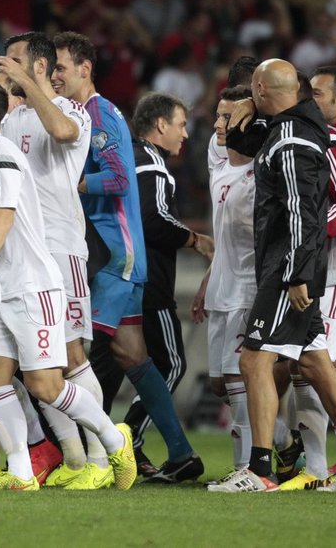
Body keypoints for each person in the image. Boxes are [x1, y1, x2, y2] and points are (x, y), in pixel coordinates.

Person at [0, 77, 136, 491]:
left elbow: (3, 216)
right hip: (4, 287)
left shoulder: (1, 157)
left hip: (33, 286)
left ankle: (112, 438)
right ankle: (19, 472)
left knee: (45, 385)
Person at [210, 58, 336, 493]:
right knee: (315, 361)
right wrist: (239, 124)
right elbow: (251, 147)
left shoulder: (291, 137)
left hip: (288, 270)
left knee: (254, 360)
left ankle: (261, 470)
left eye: (253, 90)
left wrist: (295, 274)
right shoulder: (289, 129)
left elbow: (303, 212)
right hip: (293, 266)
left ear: (262, 89)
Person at [52, 31, 202, 482]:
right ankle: (180, 452)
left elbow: (118, 179)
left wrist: (70, 186)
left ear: (84, 68)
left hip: (113, 260)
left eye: (60, 67)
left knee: (71, 353)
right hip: (118, 259)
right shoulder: (87, 114)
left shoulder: (98, 115)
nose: (55, 75)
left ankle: (98, 454)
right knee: (133, 356)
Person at [0, 32, 97, 488]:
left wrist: (28, 88)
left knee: (71, 356)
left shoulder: (72, 111)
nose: (4, 69)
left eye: (13, 62)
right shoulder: (12, 122)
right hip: (19, 255)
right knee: (20, 362)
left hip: (61, 247)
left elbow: (61, 133)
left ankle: (102, 454)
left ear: (37, 67)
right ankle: (73, 458)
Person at [128, 91, 215, 481]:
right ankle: (126, 438)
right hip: (149, 283)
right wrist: (196, 239)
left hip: (121, 278)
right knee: (171, 362)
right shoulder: (152, 166)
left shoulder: (128, 158)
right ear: (160, 125)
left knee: (116, 368)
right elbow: (153, 220)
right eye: (180, 125)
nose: (184, 134)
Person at [192, 86, 255, 475]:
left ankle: (247, 467)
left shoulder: (260, 172)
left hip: (247, 289)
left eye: (226, 118)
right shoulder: (220, 164)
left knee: (237, 379)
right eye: (217, 115)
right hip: (220, 286)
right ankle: (280, 441)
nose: (217, 124)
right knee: (220, 385)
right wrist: (207, 280)